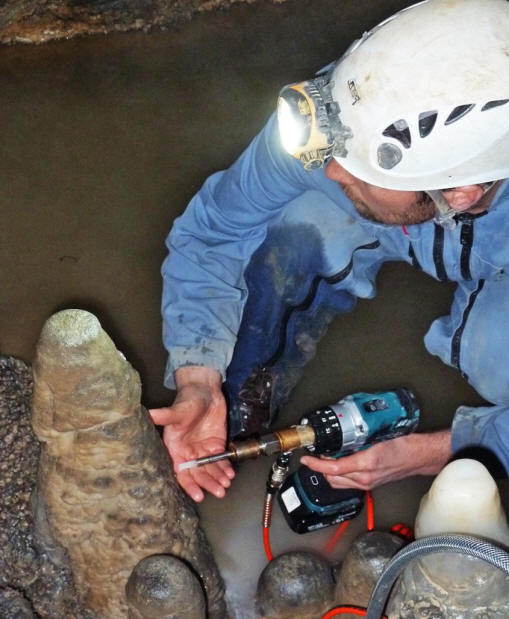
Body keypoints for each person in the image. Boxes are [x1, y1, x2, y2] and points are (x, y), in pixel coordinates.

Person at [150, 0, 509, 503]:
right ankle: (241, 394)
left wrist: (439, 452)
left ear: (459, 193)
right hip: (409, 218)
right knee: (293, 228)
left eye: (362, 170)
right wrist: (198, 375)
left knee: (494, 359)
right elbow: (215, 230)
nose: (332, 170)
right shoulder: (341, 115)